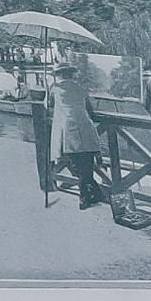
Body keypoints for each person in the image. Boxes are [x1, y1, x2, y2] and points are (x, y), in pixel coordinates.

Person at [47, 63, 103, 210]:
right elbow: (90, 109)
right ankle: (96, 193)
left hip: (69, 129)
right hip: (86, 126)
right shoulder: (80, 88)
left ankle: (84, 199)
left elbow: (48, 105)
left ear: (59, 74)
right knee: (87, 163)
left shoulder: (55, 88)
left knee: (76, 165)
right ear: (71, 74)